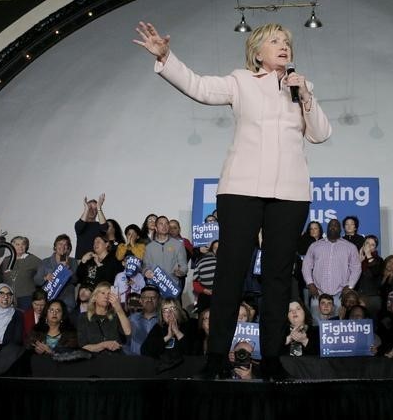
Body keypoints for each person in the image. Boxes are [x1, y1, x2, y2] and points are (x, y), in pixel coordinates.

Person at [134, 20, 331, 380]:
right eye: (274, 41)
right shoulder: (241, 81)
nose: (283, 45)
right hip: (241, 190)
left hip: (290, 193)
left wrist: (305, 94)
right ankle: (215, 360)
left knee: (276, 279)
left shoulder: (302, 87)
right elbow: (199, 87)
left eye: (286, 41)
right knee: (230, 274)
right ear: (257, 52)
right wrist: (167, 58)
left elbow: (320, 134)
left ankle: (271, 359)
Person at [77, 282, 131, 354]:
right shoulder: (83, 317)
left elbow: (128, 332)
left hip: (115, 359)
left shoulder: (116, 316)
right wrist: (103, 345)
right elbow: (83, 346)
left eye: (109, 294)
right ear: (95, 297)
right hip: (93, 360)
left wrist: (119, 308)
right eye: (103, 293)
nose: (106, 296)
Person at [34, 234, 79, 311]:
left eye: (66, 244)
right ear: (55, 246)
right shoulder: (45, 262)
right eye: (60, 244)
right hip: (50, 300)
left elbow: (76, 281)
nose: (62, 246)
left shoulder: (73, 262)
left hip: (67, 302)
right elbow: (37, 280)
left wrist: (68, 271)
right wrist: (45, 278)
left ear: (68, 248)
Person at [0, 235, 42, 310]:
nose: (21, 246)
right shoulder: (6, 260)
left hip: (26, 297)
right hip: (8, 297)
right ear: (11, 246)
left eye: (23, 244)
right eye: (17, 244)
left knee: (26, 318)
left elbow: (45, 270)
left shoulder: (33, 259)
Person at [74, 194, 108, 259]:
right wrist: (86, 209)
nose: (92, 211)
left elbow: (104, 228)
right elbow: (79, 226)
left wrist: (99, 208)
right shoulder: (79, 224)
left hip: (96, 260)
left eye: (95, 209)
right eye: (90, 208)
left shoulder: (99, 225)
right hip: (80, 261)